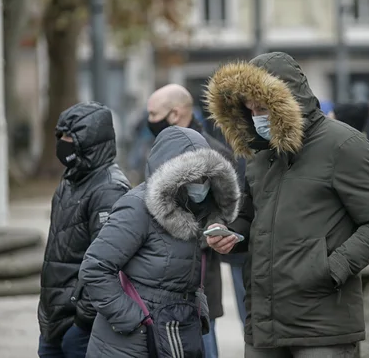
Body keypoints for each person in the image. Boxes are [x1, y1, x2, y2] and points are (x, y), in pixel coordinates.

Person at [204, 52, 369, 357]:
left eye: (262, 107)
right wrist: (229, 231)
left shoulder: (343, 145)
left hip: (321, 323)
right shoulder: (260, 156)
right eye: (250, 109)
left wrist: (330, 268)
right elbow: (250, 216)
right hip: (264, 323)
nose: (256, 116)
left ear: (285, 101)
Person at [80, 126, 241, 358]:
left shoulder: (196, 210)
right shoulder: (136, 207)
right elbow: (95, 268)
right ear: (173, 174)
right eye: (194, 176)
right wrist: (134, 319)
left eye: (207, 176)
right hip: (130, 344)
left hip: (175, 333)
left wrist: (198, 308)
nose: (201, 183)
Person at [146, 83, 241, 356]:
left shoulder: (214, 155)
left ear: (175, 114)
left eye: (153, 114)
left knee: (203, 345)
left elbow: (229, 210)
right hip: (160, 277)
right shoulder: (158, 149)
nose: (149, 120)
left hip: (199, 280)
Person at [38, 102, 131, 358]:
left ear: (88, 140)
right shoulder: (70, 180)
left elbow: (109, 263)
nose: (62, 142)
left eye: (68, 136)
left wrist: (83, 321)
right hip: (55, 320)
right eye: (60, 136)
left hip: (78, 326)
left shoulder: (109, 189)